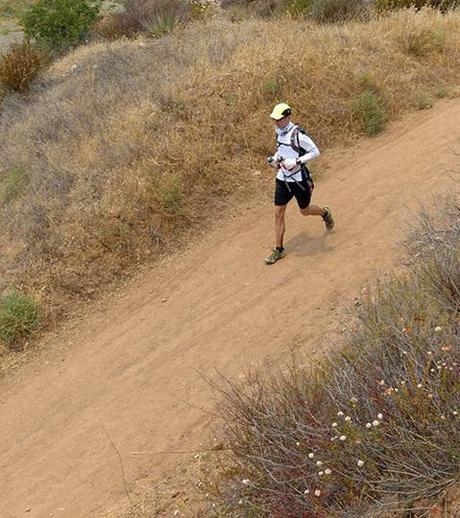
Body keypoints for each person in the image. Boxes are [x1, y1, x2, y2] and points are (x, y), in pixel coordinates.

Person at [265, 102, 335, 265]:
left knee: (304, 210)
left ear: (288, 117)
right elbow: (281, 151)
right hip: (283, 178)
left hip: (299, 180)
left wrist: (296, 161)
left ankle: (325, 213)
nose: (276, 122)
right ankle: (278, 249)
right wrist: (275, 159)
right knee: (278, 212)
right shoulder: (279, 133)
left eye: (279, 119)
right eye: (275, 119)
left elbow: (315, 152)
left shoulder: (298, 135)